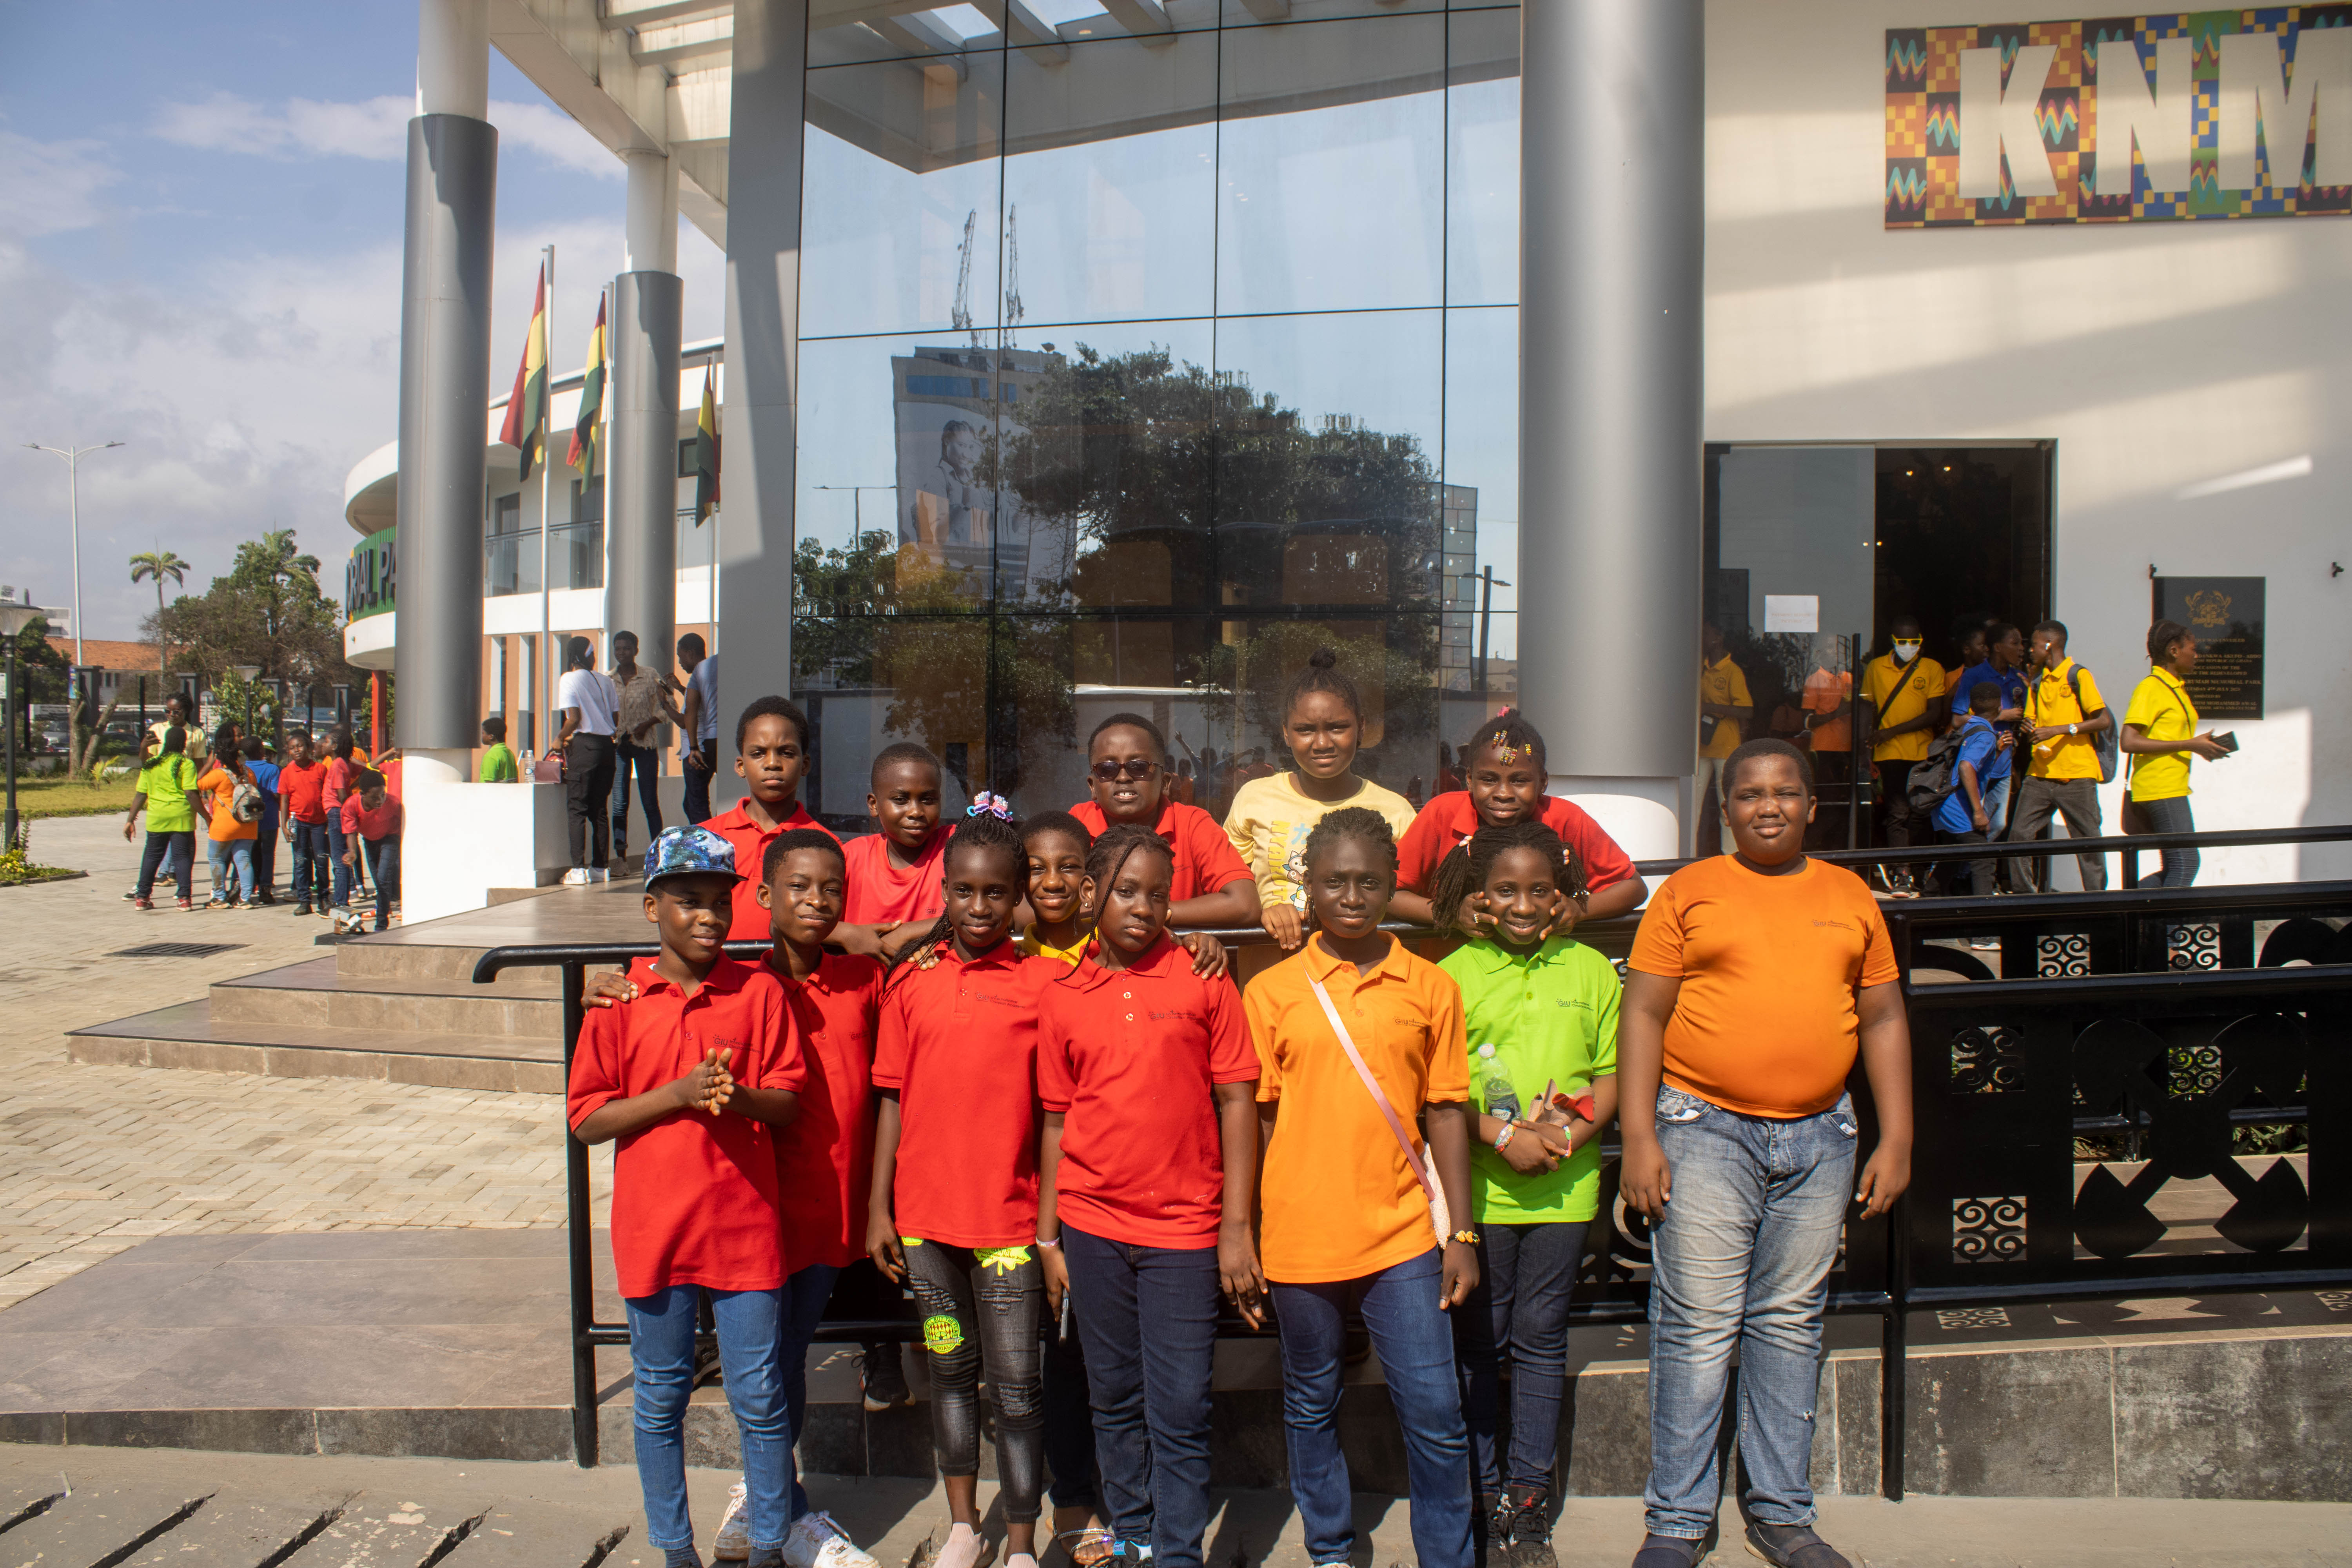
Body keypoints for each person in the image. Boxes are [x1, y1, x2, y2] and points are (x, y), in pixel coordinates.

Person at [1618, 739, 1912, 1568]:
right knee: (1698, 1325)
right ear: (1726, 811)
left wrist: (1898, 1136)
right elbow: (1643, 1013)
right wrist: (1639, 1135)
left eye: (1785, 792)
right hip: (1704, 1128)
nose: (1768, 806)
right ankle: (1678, 1520)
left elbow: (1884, 1017)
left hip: (1821, 1136)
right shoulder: (1689, 891)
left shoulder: (1849, 895)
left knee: (1789, 1323)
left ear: (1813, 806)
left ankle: (1782, 1513)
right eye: (1749, 794)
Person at [1245, 807, 1477, 1568]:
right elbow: (1258, 1120)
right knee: (1312, 1401)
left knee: (1436, 1411)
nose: (1352, 896)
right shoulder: (1271, 991)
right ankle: (1331, 1550)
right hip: (1301, 1234)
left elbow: (1447, 1110)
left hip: (1403, 1233)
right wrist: (1245, 1229)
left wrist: (1461, 1233)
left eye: (1369, 881)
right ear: (1308, 886)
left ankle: (1447, 1557)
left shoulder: (1431, 985)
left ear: (1393, 883)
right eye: (1335, 881)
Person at [567, 826, 804, 1568]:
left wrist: (736, 1098)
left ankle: (769, 1544)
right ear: (652, 908)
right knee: (660, 1394)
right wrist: (677, 1094)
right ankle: (676, 1550)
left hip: (743, 1228)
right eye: (689, 902)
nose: (708, 917)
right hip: (656, 1230)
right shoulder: (620, 1001)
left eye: (719, 904)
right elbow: (587, 1119)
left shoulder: (759, 992)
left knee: (759, 1394)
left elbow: (787, 1101)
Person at [1035, 824, 1264, 1568]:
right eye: (1127, 891)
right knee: (1113, 1397)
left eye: (1160, 895)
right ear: (1090, 892)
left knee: (1183, 1405)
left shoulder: (1204, 976)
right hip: (1092, 1227)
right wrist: (1048, 1239)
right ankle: (1133, 1538)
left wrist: (1236, 1227)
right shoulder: (1063, 995)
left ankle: (1178, 1553)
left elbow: (1237, 1101)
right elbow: (1056, 1121)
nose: (1145, 908)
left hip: (1185, 1230)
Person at [867, 809, 1057, 1568]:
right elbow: (891, 1098)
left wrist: (1048, 1227)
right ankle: (961, 1527)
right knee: (949, 1372)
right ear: (943, 891)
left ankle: (1022, 1541)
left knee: (1017, 1387)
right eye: (965, 891)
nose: (979, 907)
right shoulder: (911, 983)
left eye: (996, 893)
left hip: (1009, 1229)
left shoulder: (1044, 984)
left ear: (1018, 898)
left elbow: (1057, 1115)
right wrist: (879, 1207)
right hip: (925, 1228)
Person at [1430, 823, 1619, 1558]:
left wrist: (1564, 1138)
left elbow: (1609, 1074)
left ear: (1560, 894)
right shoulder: (1453, 974)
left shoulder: (1591, 969)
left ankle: (1528, 1497)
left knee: (1541, 1338)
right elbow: (1436, 1092)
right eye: (1505, 890)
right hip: (1479, 1191)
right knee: (1479, 1341)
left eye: (1539, 890)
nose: (1522, 904)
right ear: (1480, 896)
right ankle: (1481, 1495)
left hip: (1564, 1191)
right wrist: (1503, 1135)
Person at [1223, 649, 1417, 958]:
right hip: (1269, 965)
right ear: (1286, 733)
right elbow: (1228, 887)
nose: (1323, 743)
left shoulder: (1396, 811)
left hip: (1361, 970)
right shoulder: (1253, 798)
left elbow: (1404, 897)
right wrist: (1265, 909)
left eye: (1338, 727)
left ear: (1361, 728)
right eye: (1305, 730)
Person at [1391, 713, 1646, 928]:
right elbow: (1389, 892)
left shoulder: (1566, 818)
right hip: (1451, 968)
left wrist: (1579, 909)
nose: (1503, 794)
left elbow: (1632, 887)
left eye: (1519, 781)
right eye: (1489, 780)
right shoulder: (1441, 814)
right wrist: (1450, 915)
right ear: (1469, 779)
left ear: (1543, 782)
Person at [1069, 714, 1257, 929]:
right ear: (1093, 786)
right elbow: (1040, 908)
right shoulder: (1075, 828)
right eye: (1107, 769)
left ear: (1165, 783)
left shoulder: (1191, 825)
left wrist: (1152, 913)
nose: (1123, 778)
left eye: (1138, 767)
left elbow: (1245, 904)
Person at [702, 697, 838, 943]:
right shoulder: (703, 839)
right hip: (719, 969)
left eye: (786, 753)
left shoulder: (828, 847)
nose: (773, 763)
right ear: (741, 766)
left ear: (805, 764)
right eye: (758, 753)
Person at [2121, 620, 2232, 889]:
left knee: (2176, 866)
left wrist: (2201, 746)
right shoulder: (2151, 688)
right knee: (2186, 863)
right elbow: (2129, 741)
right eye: (2193, 649)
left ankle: (2127, 910)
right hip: (2161, 787)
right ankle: (2130, 910)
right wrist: (2190, 745)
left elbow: (2171, 738)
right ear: (2174, 651)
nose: (2197, 655)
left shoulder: (2174, 688)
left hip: (2172, 786)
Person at [2012, 619, 2111, 892]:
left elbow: (2103, 720)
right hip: (2040, 774)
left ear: (2049, 645)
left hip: (2077, 775)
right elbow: (2033, 719)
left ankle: (2097, 903)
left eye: (2033, 644)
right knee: (2019, 835)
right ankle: (2025, 898)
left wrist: (2058, 730)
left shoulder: (2078, 675)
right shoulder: (2037, 681)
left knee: (2089, 843)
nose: (2029, 650)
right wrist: (2028, 726)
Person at [837, 743, 953, 962]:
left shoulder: (957, 847)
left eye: (928, 800)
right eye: (901, 800)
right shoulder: (852, 857)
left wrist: (905, 934)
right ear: (874, 805)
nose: (916, 812)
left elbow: (988, 912)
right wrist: (847, 934)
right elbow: (786, 922)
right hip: (863, 980)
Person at [1860, 616, 1946, 896]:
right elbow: (1866, 708)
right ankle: (1902, 874)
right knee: (1897, 813)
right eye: (1903, 641)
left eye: (1914, 641)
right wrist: (1863, 747)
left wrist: (1891, 731)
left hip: (1923, 752)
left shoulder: (1932, 668)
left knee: (1920, 813)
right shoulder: (1876, 667)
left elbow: (1934, 714)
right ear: (1893, 641)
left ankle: (1920, 871)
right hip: (1889, 754)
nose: (1909, 646)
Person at [557, 635, 621, 879]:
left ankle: (577, 870)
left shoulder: (569, 679)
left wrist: (559, 738)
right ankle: (600, 869)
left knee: (577, 809)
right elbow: (615, 719)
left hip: (585, 747)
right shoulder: (606, 681)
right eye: (592, 654)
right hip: (607, 748)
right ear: (587, 655)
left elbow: (573, 719)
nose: (594, 658)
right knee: (599, 810)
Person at [1935, 683, 2005, 898]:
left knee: (1951, 858)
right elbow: (1966, 766)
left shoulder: (1967, 727)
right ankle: (1985, 913)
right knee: (1982, 858)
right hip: (1959, 808)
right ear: (2000, 708)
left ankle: (1927, 900)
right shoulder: (1986, 735)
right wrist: (1978, 812)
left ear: (1972, 708)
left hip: (1944, 805)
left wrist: (1996, 751)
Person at [124, 724, 199, 911]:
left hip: (157, 817)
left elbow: (141, 794)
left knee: (151, 856)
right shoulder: (186, 764)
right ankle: (184, 899)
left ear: (165, 742)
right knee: (182, 857)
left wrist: (130, 820)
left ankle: (142, 898)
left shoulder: (151, 764)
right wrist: (206, 817)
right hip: (181, 817)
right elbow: (190, 793)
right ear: (184, 744)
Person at [1695, 621, 1753, 856]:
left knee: (1727, 806)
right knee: (1692, 807)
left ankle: (1730, 857)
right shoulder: (1698, 668)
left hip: (1725, 748)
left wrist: (1709, 707)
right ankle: (1685, 855)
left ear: (1718, 638)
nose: (1702, 638)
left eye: (1706, 633)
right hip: (1699, 749)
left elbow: (1747, 710)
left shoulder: (1732, 671)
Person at [612, 631, 669, 859]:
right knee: (619, 804)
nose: (622, 653)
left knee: (650, 802)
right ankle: (620, 859)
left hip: (646, 746)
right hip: (619, 746)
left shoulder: (650, 675)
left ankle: (659, 856)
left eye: (627, 648)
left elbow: (669, 705)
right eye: (618, 649)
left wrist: (648, 724)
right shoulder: (609, 679)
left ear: (636, 650)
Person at [194, 726, 260, 910]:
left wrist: (209, 764)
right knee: (244, 859)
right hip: (248, 823)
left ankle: (219, 897)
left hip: (224, 825)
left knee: (216, 859)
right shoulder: (249, 773)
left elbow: (198, 784)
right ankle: (245, 899)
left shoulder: (219, 775)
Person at [338, 768, 404, 934]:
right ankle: (386, 910)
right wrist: (352, 853)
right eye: (375, 797)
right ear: (363, 794)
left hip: (390, 838)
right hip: (370, 841)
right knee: (378, 882)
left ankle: (381, 926)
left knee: (383, 879)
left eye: (383, 795)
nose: (380, 800)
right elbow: (351, 833)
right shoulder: (351, 806)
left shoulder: (394, 803)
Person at [279, 731, 332, 916]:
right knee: (301, 861)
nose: (297, 750)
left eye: (300, 746)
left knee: (322, 860)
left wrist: (329, 820)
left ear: (309, 749)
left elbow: (327, 794)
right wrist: (284, 825)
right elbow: (284, 800)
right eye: (292, 748)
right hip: (298, 822)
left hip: (319, 823)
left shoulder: (320, 769)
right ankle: (304, 901)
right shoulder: (286, 772)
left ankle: (324, 898)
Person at [669, 634, 720, 825]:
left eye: (681, 656)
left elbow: (689, 713)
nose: (680, 662)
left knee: (697, 805)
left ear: (691, 653)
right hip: (731, 738)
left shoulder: (701, 670)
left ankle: (707, 840)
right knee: (692, 803)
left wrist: (693, 748)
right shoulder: (730, 664)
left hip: (707, 743)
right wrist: (680, 688)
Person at [243, 737, 281, 904]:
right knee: (268, 854)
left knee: (250, 852)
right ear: (261, 751)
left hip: (248, 818)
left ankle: (249, 885)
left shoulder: (242, 768)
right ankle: (265, 889)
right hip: (269, 817)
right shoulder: (272, 769)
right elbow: (276, 793)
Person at [479, 713, 520, 783]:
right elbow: (516, 780)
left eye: (483, 733)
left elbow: (489, 785)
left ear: (491, 737)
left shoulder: (491, 756)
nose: (481, 736)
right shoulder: (510, 753)